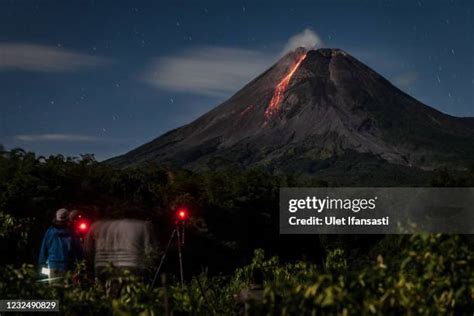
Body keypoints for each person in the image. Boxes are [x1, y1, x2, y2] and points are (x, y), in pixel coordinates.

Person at [84, 217, 158, 296]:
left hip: (102, 265)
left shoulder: (97, 225)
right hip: (132, 264)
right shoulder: (143, 226)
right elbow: (151, 250)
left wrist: (92, 261)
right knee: (132, 295)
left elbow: (88, 248)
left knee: (104, 294)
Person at [38, 208, 83, 283]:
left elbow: (43, 250)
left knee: (55, 291)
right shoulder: (72, 233)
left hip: (53, 266)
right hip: (68, 266)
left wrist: (41, 264)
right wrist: (80, 264)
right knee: (68, 291)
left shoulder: (50, 232)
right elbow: (78, 251)